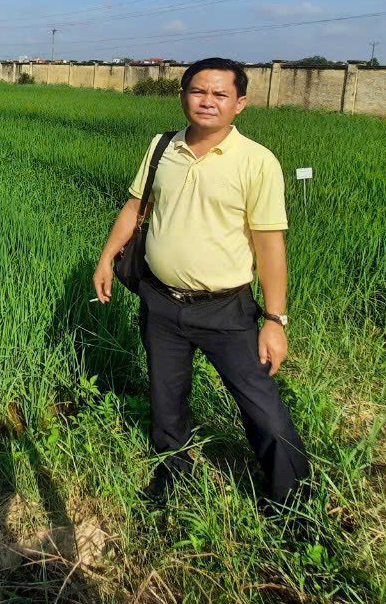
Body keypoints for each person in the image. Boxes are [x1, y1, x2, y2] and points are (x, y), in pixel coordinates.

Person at [92, 57, 310, 506]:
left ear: (240, 103)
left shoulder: (257, 162)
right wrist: (107, 257)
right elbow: (136, 206)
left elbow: (270, 246)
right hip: (160, 301)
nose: (207, 101)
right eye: (198, 91)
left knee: (264, 411)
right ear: (182, 96)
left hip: (226, 309)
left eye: (219, 94)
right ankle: (173, 475)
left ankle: (294, 505)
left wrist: (274, 319)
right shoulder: (161, 147)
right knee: (166, 400)